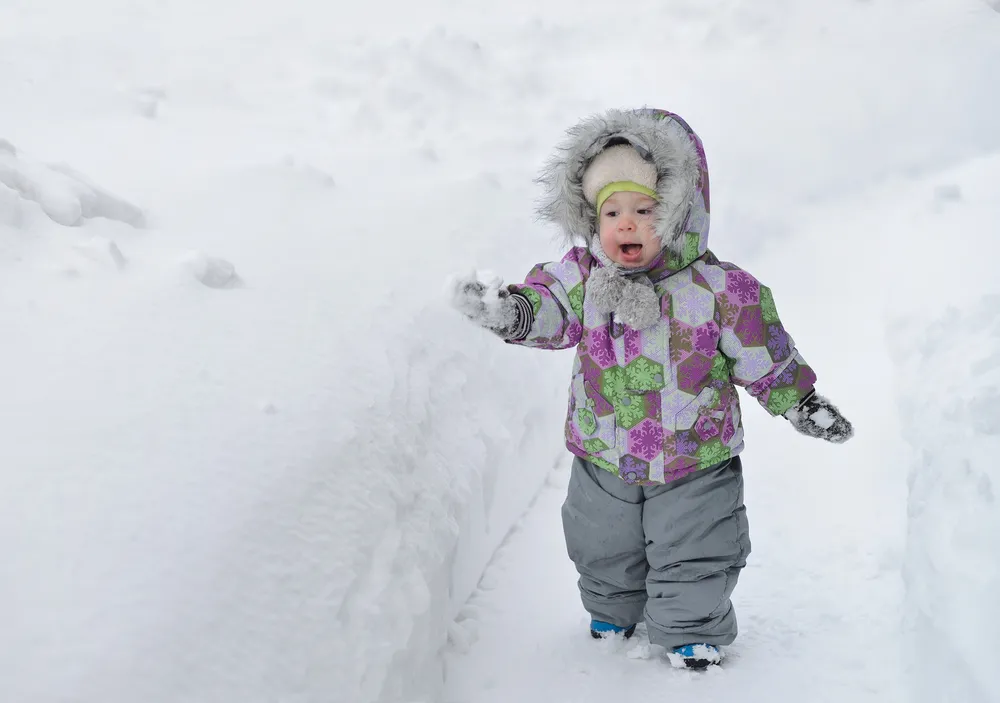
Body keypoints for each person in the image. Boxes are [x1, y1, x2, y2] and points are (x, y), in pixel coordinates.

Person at [449, 107, 853, 669]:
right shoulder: (582, 277)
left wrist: (800, 402)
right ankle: (612, 611)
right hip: (602, 451)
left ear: (681, 212)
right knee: (600, 542)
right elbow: (548, 306)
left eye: (645, 209)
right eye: (611, 211)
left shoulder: (719, 288)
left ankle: (690, 629)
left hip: (696, 457)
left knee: (698, 546)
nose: (627, 224)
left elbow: (763, 352)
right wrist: (510, 311)